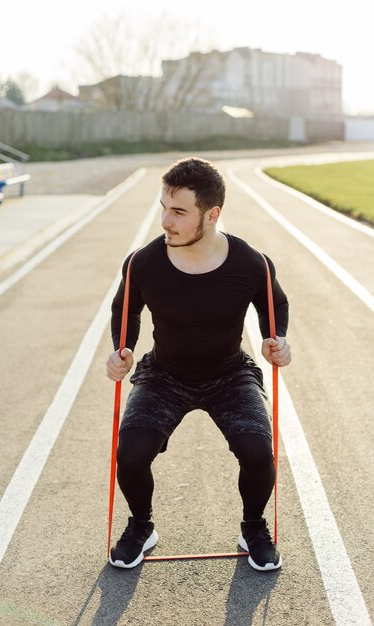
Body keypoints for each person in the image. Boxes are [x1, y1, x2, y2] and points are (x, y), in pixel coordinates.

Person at [106, 157, 291, 572]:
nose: (165, 221)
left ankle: (253, 528)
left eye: (178, 212)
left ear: (212, 214)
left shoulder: (250, 262)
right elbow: (125, 310)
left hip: (229, 375)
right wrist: (122, 348)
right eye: (163, 208)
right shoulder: (143, 262)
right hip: (164, 375)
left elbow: (274, 302)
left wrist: (276, 338)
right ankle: (141, 526)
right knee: (131, 453)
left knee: (258, 451)